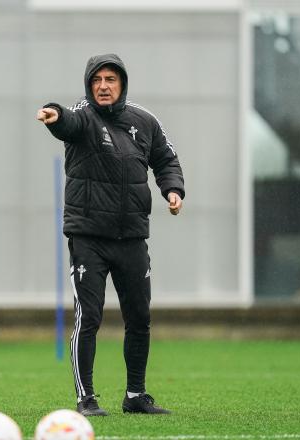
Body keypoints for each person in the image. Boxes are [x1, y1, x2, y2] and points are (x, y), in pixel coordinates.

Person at [36, 53, 185, 416]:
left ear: (122, 84)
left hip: (132, 236)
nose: (103, 86)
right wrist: (54, 114)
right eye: (97, 80)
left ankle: (136, 395)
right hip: (89, 236)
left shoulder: (144, 121)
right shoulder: (82, 117)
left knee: (139, 316)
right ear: (89, 85)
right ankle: (85, 399)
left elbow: (165, 159)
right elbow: (67, 121)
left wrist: (172, 189)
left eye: (110, 80)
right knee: (90, 317)